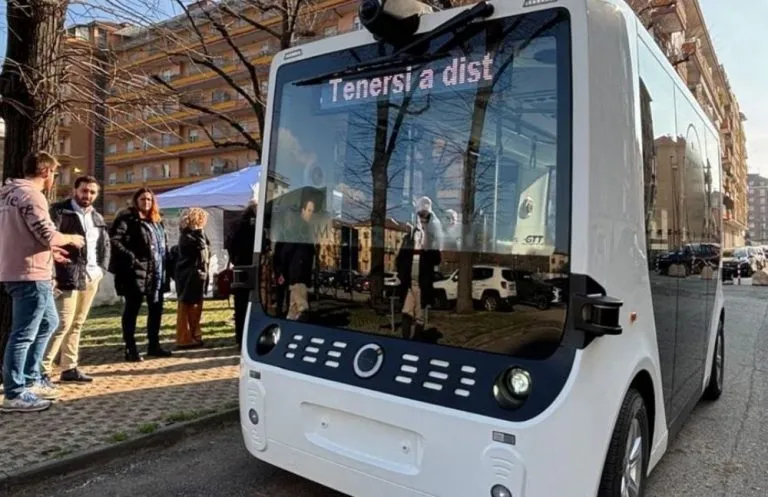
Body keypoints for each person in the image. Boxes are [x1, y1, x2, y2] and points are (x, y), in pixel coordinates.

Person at [0, 151, 85, 412]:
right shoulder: (32, 195)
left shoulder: (7, 194)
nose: (53, 179)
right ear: (47, 172)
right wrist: (71, 239)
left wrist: (50, 252)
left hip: (17, 268)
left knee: (50, 322)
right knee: (23, 333)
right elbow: (48, 234)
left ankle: (32, 378)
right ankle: (15, 392)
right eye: (55, 174)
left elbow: (22, 233)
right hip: (30, 274)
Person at [42, 176, 110, 384]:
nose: (87, 195)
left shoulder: (97, 217)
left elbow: (104, 245)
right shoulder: (59, 211)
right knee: (61, 323)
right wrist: (54, 272)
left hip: (91, 276)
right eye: (84, 191)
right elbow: (49, 241)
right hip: (66, 275)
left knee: (78, 323)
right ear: (75, 190)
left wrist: (101, 269)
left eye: (92, 192)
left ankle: (69, 367)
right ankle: (42, 370)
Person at [108, 188, 172, 362]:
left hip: (157, 271)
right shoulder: (127, 219)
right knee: (132, 309)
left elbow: (162, 245)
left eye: (149, 200)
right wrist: (131, 257)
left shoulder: (156, 221)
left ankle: (154, 345)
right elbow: (114, 240)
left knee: (156, 309)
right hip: (134, 272)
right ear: (136, 200)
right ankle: (131, 348)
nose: (146, 202)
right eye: (143, 199)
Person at [395, 195, 442, 340]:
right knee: (406, 312)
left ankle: (416, 342)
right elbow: (400, 259)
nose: (422, 221)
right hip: (409, 283)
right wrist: (402, 275)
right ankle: (405, 341)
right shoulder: (408, 238)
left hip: (422, 284)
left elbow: (436, 260)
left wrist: (427, 245)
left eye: (425, 218)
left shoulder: (431, 239)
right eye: (420, 217)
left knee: (420, 315)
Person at [174, 207, 211, 349]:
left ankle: (193, 335)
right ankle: (185, 337)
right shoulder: (189, 236)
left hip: (194, 275)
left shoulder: (190, 235)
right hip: (189, 276)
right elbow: (201, 249)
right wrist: (199, 231)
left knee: (194, 307)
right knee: (188, 308)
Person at [274, 197, 316, 321]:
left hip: (299, 274)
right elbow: (286, 251)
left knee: (293, 309)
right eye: (309, 210)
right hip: (297, 275)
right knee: (302, 307)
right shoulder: (298, 228)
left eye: (312, 211)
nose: (311, 214)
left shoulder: (305, 228)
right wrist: (281, 271)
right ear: (302, 211)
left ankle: (290, 324)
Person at [225, 199, 257, 347]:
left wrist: (234, 259)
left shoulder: (236, 225)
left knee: (240, 305)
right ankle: (248, 336)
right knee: (251, 303)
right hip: (252, 266)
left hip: (239, 267)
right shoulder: (254, 226)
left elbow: (229, 245)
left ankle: (240, 337)